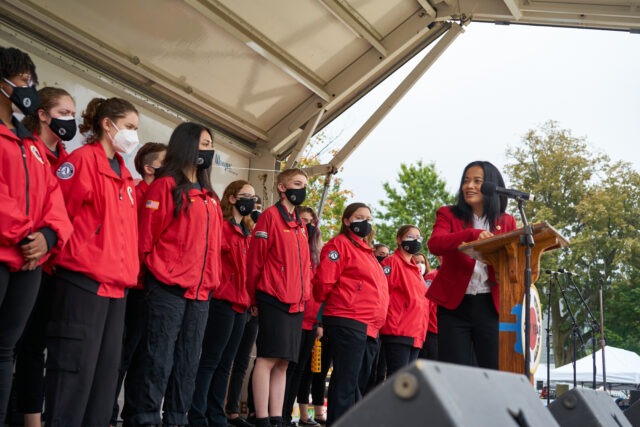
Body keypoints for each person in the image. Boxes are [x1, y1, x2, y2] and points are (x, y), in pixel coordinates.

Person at [45, 96, 140, 426]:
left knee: (103, 380)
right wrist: (67, 259)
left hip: (117, 289)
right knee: (74, 374)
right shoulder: (82, 161)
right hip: (82, 283)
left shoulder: (125, 176)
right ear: (107, 124)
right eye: (129, 127)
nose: (133, 135)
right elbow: (58, 213)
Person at [122, 122, 222, 427]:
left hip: (200, 294)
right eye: (203, 143)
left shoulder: (209, 196)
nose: (208, 150)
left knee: (188, 362)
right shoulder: (164, 186)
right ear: (187, 145)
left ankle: (177, 419)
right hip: (167, 288)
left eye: (210, 144)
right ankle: (145, 419)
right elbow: (146, 238)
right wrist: (158, 272)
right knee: (157, 359)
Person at [0, 47, 72, 425]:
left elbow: (54, 202)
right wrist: (29, 235)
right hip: (10, 253)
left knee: (7, 349)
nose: (29, 89)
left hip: (30, 261)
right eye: (25, 82)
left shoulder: (30, 145)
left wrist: (48, 235)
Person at [427, 160, 517, 369]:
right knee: (454, 370)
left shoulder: (507, 221)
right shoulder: (447, 214)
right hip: (454, 306)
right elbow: (435, 244)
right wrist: (472, 234)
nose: (469, 186)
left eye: (477, 181)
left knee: (492, 369)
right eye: (466, 181)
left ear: (492, 186)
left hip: (491, 305)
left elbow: (512, 259)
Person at [246, 169, 312, 427]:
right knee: (267, 357)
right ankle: (261, 417)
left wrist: (305, 295)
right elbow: (255, 261)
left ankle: (277, 416)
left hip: (296, 301)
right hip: (273, 296)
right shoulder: (269, 217)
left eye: (305, 185)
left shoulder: (301, 224)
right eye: (297, 183)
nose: (302, 189)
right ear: (282, 187)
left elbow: (306, 264)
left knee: (284, 361)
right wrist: (253, 298)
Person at [313, 203, 389, 426]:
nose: (364, 222)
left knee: (357, 382)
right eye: (359, 217)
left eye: (368, 217)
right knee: (346, 381)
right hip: (348, 319)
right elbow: (323, 282)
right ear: (346, 220)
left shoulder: (367, 252)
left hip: (369, 326)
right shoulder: (339, 245)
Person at [189, 180, 257, 427]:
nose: (250, 200)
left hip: (241, 305)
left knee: (226, 364)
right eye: (245, 195)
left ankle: (215, 414)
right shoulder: (223, 227)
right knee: (210, 360)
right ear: (231, 198)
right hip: (221, 301)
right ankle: (197, 413)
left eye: (253, 196)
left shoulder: (248, 232)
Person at [111, 142, 166, 426]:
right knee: (123, 350)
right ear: (149, 168)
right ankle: (106, 409)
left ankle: (133, 412)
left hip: (155, 288)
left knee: (145, 354)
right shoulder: (135, 193)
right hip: (132, 285)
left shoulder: (167, 197)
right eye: (165, 163)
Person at [283, 206, 324, 427]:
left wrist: (319, 321)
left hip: (311, 319)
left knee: (299, 370)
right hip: (292, 314)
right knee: (284, 366)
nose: (307, 224)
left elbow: (321, 288)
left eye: (311, 221)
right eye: (303, 220)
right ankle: (274, 413)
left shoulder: (318, 252)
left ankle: (287, 415)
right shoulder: (293, 245)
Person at [226, 198, 262, 427]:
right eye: (253, 206)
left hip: (252, 305)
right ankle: (215, 408)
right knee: (223, 359)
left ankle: (232, 410)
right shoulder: (233, 228)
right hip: (232, 301)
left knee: (242, 361)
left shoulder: (255, 235)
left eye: (259, 207)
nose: (255, 210)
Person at [380, 225, 430, 376]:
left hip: (416, 334)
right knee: (397, 379)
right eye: (410, 236)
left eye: (418, 237)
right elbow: (382, 294)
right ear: (399, 239)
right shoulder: (391, 263)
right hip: (398, 331)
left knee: (408, 382)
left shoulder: (417, 271)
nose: (415, 240)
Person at [414, 253, 439, 361]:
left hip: (439, 330)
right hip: (430, 330)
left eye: (423, 262)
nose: (420, 265)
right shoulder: (432, 276)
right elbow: (427, 304)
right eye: (417, 262)